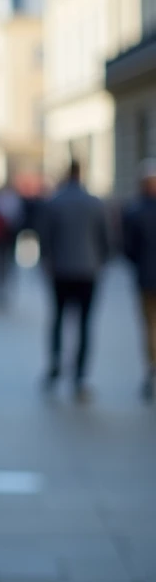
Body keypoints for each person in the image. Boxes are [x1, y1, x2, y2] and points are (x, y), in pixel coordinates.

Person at [37, 160, 110, 401]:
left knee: (58, 317)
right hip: (88, 271)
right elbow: (106, 240)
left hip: (61, 269)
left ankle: (56, 364)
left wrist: (47, 261)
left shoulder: (54, 202)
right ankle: (80, 375)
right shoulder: (95, 203)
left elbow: (44, 238)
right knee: (85, 323)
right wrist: (100, 262)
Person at [122, 159, 156, 402]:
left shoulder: (134, 211)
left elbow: (128, 249)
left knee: (150, 326)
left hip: (145, 277)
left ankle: (151, 368)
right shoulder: (133, 212)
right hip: (145, 277)